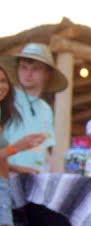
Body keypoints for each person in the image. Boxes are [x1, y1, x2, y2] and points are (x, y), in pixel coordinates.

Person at [1, 56, 53, 226]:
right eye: (24, 67)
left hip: (13, 186)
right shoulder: (7, 110)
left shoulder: (44, 109)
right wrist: (17, 149)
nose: (1, 85)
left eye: (3, 80)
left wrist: (22, 168)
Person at [3, 43, 67, 175]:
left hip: (33, 179)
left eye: (35, 69)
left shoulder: (45, 109)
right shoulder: (5, 98)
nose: (28, 73)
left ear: (47, 74)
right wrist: (16, 169)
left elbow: (44, 149)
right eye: (23, 67)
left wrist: (55, 175)